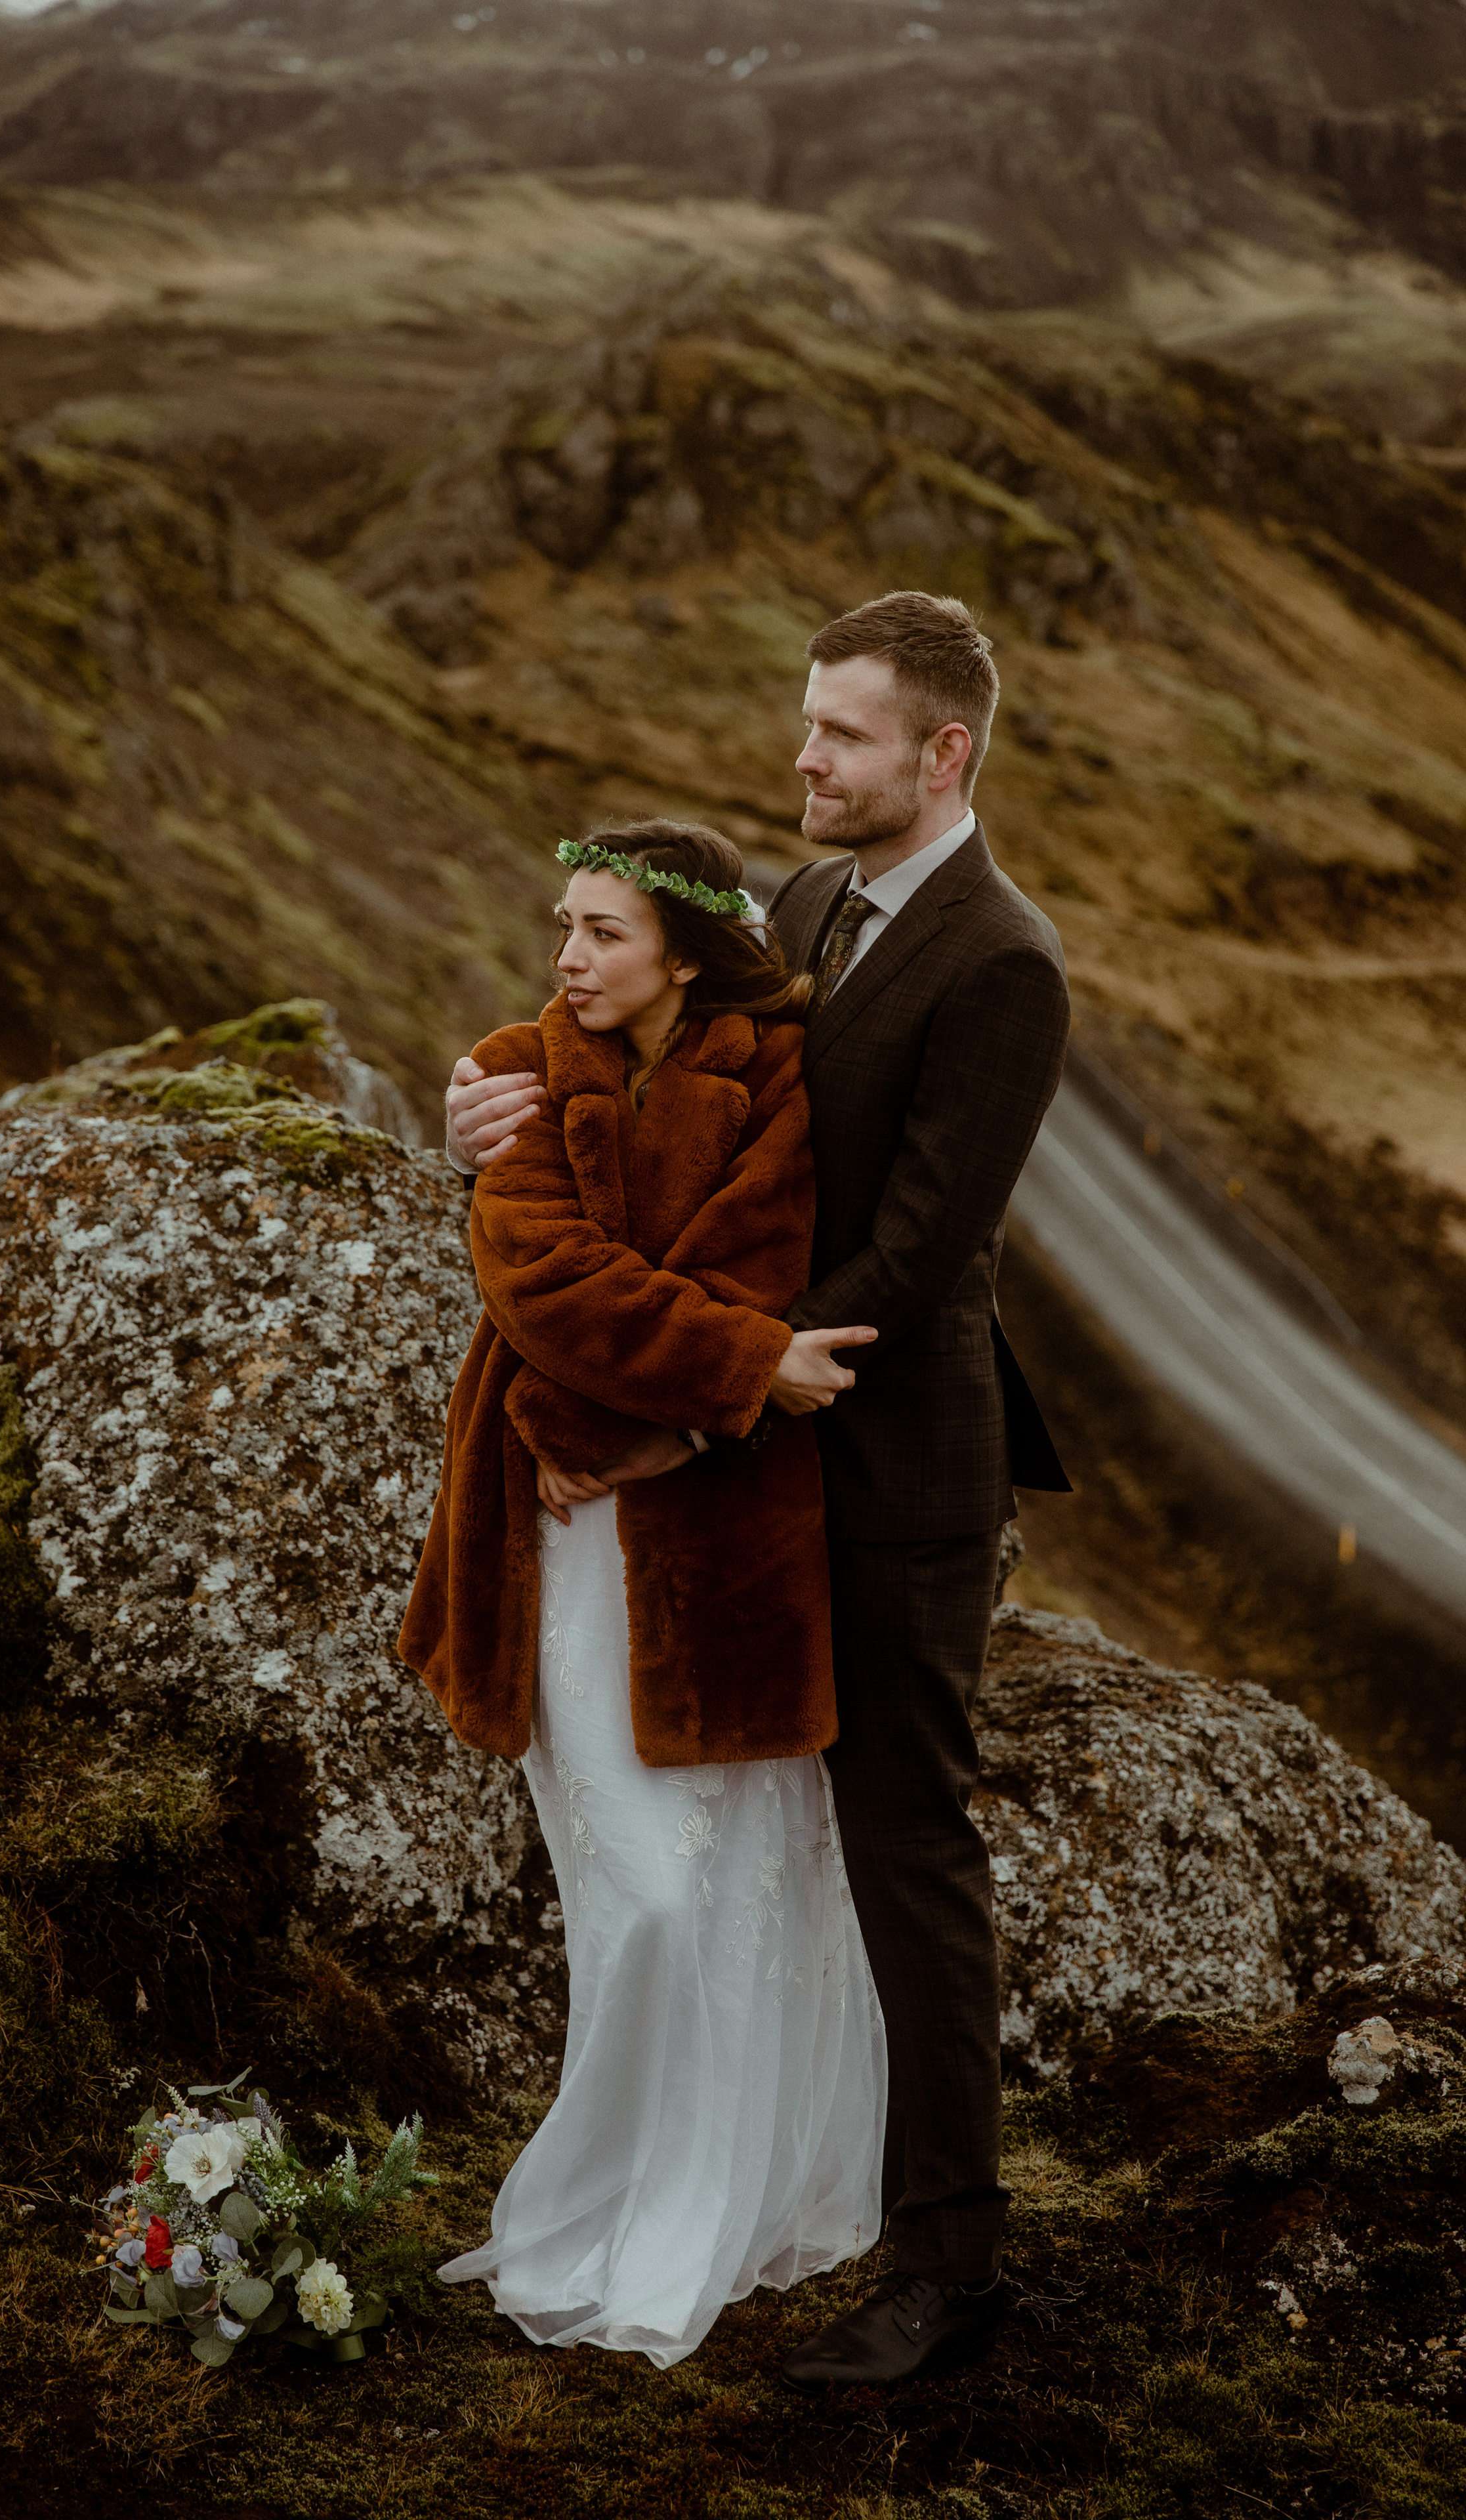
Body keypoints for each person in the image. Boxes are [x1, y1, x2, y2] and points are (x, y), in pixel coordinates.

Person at [445, 591, 1072, 2393]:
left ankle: (956, 2265)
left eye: (844, 737)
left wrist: (694, 1403)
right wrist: (483, 1094)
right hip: (764, 1464)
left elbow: (914, 1243)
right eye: (806, 725)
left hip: (894, 1468)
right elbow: (629, 1034)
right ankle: (786, 2172)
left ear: (941, 755)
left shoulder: (1001, 961)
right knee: (769, 1848)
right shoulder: (799, 906)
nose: (803, 759)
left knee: (905, 1841)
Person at [400, 820, 889, 2370]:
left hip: (722, 1548)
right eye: (561, 925)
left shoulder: (780, 1082)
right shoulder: (516, 1066)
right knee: (633, 1892)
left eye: (601, 932)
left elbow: (761, 1261)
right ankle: (608, 2192)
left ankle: (712, 2206)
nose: (565, 960)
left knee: (729, 1882)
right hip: (547, 1536)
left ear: (683, 949)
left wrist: (653, 1419)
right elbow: (535, 1274)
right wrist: (726, 1381)